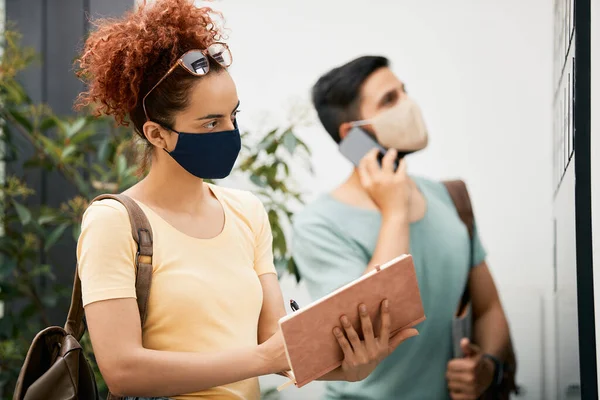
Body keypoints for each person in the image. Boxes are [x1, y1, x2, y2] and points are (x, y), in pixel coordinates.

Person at [73, 3, 418, 400]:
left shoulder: (247, 212)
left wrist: (352, 368)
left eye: (233, 116)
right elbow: (122, 370)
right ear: (157, 134)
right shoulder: (112, 221)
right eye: (211, 122)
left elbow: (278, 345)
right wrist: (261, 359)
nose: (230, 132)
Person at [292, 55, 515, 400]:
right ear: (354, 135)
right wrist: (395, 213)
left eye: (404, 92)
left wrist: (485, 365)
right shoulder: (318, 224)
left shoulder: (446, 197)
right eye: (389, 100)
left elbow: (488, 308)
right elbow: (368, 332)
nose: (408, 104)